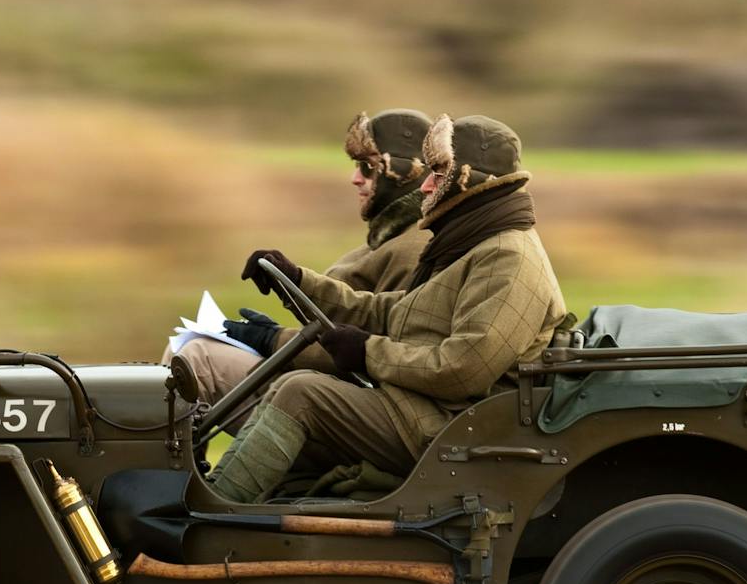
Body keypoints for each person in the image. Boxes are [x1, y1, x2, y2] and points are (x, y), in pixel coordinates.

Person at [207, 114, 569, 504]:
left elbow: (463, 369)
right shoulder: (478, 246)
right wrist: (297, 281)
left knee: (301, 393)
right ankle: (226, 501)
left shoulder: (507, 257)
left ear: (472, 179)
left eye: (439, 172)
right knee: (288, 386)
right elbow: (390, 312)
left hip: (452, 428)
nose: (426, 185)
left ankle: (211, 508)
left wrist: (366, 353)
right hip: (429, 411)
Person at [173, 110, 432, 416]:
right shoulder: (387, 239)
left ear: (403, 174)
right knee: (181, 356)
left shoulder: (412, 249)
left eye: (367, 167)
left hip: (343, 401)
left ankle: (157, 459)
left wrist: (272, 340)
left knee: (196, 357)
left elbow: (376, 353)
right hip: (323, 383)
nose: (355, 178)